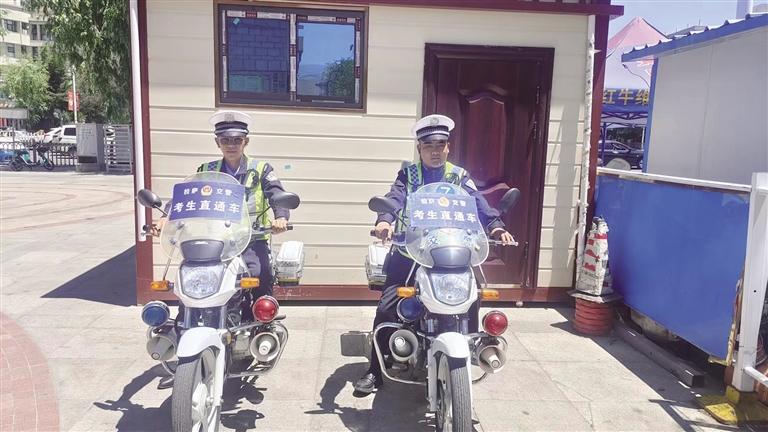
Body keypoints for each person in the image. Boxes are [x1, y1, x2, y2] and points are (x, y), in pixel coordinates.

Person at [353, 114, 515, 395]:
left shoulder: (459, 176)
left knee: (472, 297)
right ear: (420, 149)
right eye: (428, 146)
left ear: (448, 147)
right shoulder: (408, 176)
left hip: (450, 251)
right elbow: (394, 199)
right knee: (387, 307)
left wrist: (496, 227)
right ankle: (376, 370)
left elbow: (478, 203)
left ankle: (469, 348)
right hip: (411, 252)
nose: (435, 151)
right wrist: (384, 221)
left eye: (440, 145)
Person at [151, 110, 290, 300]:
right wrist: (165, 217)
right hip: (214, 239)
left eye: (237, 140)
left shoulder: (261, 169)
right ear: (217, 142)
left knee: (261, 273)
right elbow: (186, 195)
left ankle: (260, 316)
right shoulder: (206, 170)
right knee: (192, 276)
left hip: (251, 239)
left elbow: (277, 194)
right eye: (225, 140)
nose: (231, 145)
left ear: (246, 142)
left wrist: (281, 217)